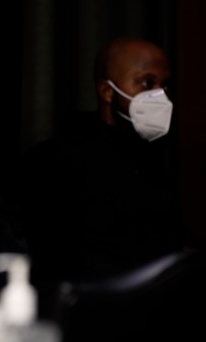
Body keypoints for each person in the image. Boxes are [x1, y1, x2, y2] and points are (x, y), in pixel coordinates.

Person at [17, 37, 183, 294]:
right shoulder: (59, 161)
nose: (160, 97)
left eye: (165, 86)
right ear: (107, 91)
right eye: (147, 83)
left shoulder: (152, 163)